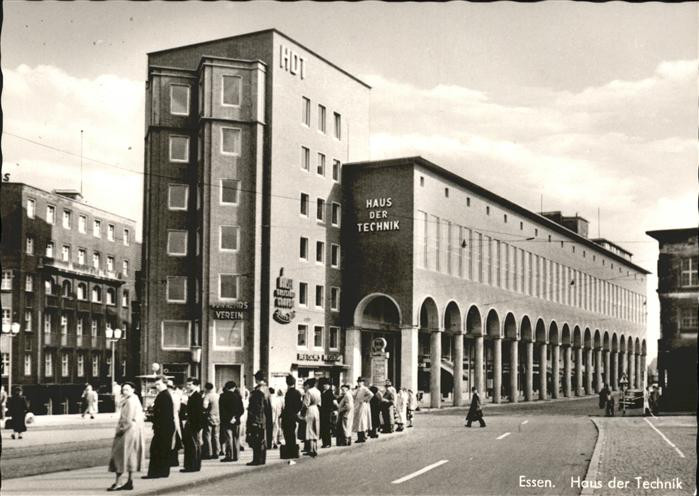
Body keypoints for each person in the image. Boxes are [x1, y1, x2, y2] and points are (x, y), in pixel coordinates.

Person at [107, 382, 145, 491]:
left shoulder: (129, 402)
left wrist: (119, 430)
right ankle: (130, 481)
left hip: (127, 432)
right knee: (131, 456)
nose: (125, 391)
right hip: (135, 432)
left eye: (127, 389)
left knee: (119, 456)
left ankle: (118, 482)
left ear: (133, 389)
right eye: (123, 389)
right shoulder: (135, 399)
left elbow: (126, 419)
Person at [145, 376, 175, 479]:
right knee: (162, 449)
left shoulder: (164, 396)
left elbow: (163, 414)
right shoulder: (164, 395)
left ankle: (156, 473)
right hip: (165, 427)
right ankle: (162, 472)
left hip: (163, 428)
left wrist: (153, 419)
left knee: (157, 449)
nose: (157, 386)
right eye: (156, 384)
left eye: (159, 384)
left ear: (165, 384)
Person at [246, 371, 271, 466]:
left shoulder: (258, 391)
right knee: (261, 439)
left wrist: (253, 420)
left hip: (257, 418)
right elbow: (268, 406)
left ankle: (256, 459)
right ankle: (262, 458)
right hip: (264, 418)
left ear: (256, 379)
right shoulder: (267, 389)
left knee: (256, 439)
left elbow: (256, 407)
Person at [181, 377, 204, 472]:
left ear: (196, 385)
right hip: (192, 423)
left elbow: (197, 412)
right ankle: (193, 465)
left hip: (193, 424)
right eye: (188, 384)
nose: (188, 386)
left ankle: (192, 466)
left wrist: (197, 426)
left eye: (190, 384)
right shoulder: (193, 395)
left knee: (192, 445)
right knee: (193, 444)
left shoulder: (196, 396)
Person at [219, 381, 244, 462]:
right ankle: (236, 455)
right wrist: (235, 417)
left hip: (226, 421)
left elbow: (222, 410)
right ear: (234, 387)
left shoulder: (222, 396)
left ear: (226, 387)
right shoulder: (238, 396)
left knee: (228, 438)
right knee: (236, 438)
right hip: (236, 421)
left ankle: (229, 455)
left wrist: (229, 418)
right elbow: (241, 410)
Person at [281, 374, 303, 459]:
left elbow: (287, 406)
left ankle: (290, 452)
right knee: (292, 434)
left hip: (287, 417)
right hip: (293, 416)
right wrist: (295, 412)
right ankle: (293, 452)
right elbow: (300, 405)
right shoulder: (298, 393)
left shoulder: (288, 393)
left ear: (287, 383)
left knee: (287, 434)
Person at [202, 383, 221, 460]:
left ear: (206, 388)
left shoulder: (207, 396)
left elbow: (204, 406)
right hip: (218, 417)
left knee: (207, 435)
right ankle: (217, 452)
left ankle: (208, 453)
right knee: (216, 435)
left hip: (209, 417)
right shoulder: (217, 396)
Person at [303, 378, 321, 457]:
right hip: (316, 409)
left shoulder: (309, 392)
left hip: (310, 409)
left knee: (310, 429)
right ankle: (315, 448)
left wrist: (302, 413)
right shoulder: (318, 391)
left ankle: (311, 449)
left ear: (308, 385)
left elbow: (305, 404)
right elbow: (320, 403)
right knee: (315, 428)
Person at [167, 381, 183, 467]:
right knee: (175, 439)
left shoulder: (170, 396)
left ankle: (172, 460)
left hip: (172, 419)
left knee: (172, 440)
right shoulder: (176, 396)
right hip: (176, 418)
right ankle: (174, 460)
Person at [352, 377, 373, 443]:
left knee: (362, 421)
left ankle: (362, 436)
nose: (359, 383)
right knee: (358, 421)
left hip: (362, 406)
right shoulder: (357, 389)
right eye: (358, 382)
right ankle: (360, 436)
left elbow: (371, 394)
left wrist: (364, 400)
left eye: (360, 382)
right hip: (357, 406)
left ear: (363, 382)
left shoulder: (364, 389)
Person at [319, 378, 337, 448]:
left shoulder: (330, 392)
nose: (324, 385)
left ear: (329, 385)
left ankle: (328, 443)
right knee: (323, 427)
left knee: (327, 427)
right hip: (323, 411)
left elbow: (333, 403)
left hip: (327, 412)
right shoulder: (323, 392)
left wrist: (332, 410)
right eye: (324, 384)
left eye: (326, 384)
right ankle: (324, 442)